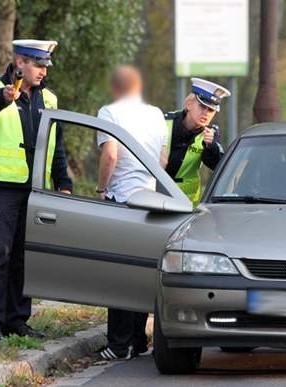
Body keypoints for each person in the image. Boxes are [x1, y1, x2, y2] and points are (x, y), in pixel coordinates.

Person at [0, 39, 72, 343]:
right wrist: (3, 98)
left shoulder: (49, 99)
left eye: (45, 66)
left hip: (34, 188)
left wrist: (63, 182)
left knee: (23, 258)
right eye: (38, 65)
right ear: (19, 62)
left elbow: (57, 145)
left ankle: (16, 320)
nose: (43, 72)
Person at [96, 65, 168, 360]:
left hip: (121, 200)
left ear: (115, 89)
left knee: (117, 274)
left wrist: (102, 188)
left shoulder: (109, 113)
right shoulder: (156, 115)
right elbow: (162, 162)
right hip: (148, 200)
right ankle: (139, 341)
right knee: (140, 272)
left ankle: (118, 344)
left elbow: (110, 154)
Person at [164, 78, 230, 205]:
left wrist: (210, 146)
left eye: (211, 110)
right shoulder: (164, 122)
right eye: (202, 106)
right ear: (189, 104)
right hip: (156, 195)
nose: (206, 113)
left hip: (187, 203)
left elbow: (218, 166)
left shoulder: (210, 134)